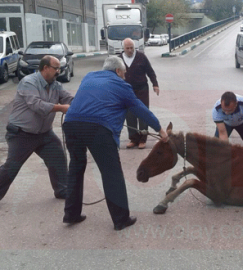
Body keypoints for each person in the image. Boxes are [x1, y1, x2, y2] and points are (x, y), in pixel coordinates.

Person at [62, 56, 168, 230]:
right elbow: (140, 108)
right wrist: (160, 129)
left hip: (71, 124)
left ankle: (71, 214)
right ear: (118, 71)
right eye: (124, 73)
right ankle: (120, 219)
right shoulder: (122, 85)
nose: (125, 76)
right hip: (98, 129)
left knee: (75, 168)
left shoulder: (89, 76)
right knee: (111, 173)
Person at [0, 55, 73, 201]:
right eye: (56, 68)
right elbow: (37, 105)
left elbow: (68, 99)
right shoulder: (28, 82)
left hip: (44, 134)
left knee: (57, 156)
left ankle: (62, 190)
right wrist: (61, 108)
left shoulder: (55, 85)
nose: (59, 71)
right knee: (12, 167)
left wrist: (83, 103)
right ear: (45, 68)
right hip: (22, 134)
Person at [119, 38, 159, 150]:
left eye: (131, 47)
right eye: (127, 48)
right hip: (126, 91)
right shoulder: (119, 59)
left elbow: (150, 72)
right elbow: (113, 75)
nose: (130, 50)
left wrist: (155, 84)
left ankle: (142, 139)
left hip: (142, 89)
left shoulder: (141, 57)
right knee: (129, 115)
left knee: (143, 113)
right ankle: (133, 139)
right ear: (123, 48)